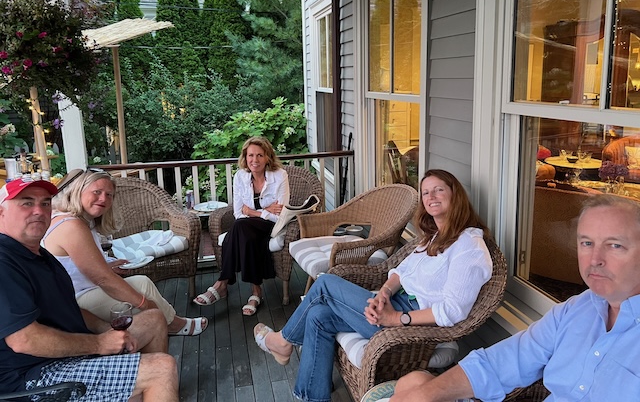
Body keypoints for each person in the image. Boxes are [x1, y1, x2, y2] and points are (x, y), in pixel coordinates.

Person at [253, 169, 494, 402]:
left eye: (438, 190)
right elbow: (401, 271)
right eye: (425, 192)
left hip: (411, 326)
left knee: (325, 282)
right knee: (318, 315)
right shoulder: (435, 236)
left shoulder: (468, 247)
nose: (430, 197)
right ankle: (312, 396)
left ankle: (283, 341)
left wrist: (397, 318)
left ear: (455, 195)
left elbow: (452, 311)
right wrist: (385, 293)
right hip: (394, 303)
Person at [390, 194, 640, 402]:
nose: (595, 258)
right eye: (587, 243)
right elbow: (507, 361)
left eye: (614, 245)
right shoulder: (577, 310)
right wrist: (426, 395)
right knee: (414, 383)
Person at [0, 177, 178, 400]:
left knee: (153, 319)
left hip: (70, 354)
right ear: (1, 212)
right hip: (33, 379)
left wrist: (107, 331)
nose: (38, 211)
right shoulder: (5, 261)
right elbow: (24, 340)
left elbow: (68, 307)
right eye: (26, 203)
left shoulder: (38, 255)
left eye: (45, 203)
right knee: (161, 369)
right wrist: (99, 343)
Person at [41, 169, 208, 336]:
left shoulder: (79, 220)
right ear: (78, 190)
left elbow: (75, 267)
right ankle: (168, 326)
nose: (103, 199)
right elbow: (103, 279)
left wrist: (108, 266)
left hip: (80, 291)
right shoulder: (71, 226)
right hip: (73, 303)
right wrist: (144, 303)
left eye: (109, 195)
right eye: (97, 192)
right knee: (144, 305)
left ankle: (170, 323)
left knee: (143, 283)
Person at [194, 136, 290, 316]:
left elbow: (280, 215)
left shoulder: (280, 176)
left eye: (260, 155)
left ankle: (223, 283)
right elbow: (238, 212)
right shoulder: (240, 176)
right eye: (251, 155)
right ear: (245, 158)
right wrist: (265, 209)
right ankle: (255, 292)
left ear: (268, 157)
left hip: (271, 226)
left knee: (239, 227)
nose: (255, 160)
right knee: (243, 230)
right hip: (248, 226)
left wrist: (253, 211)